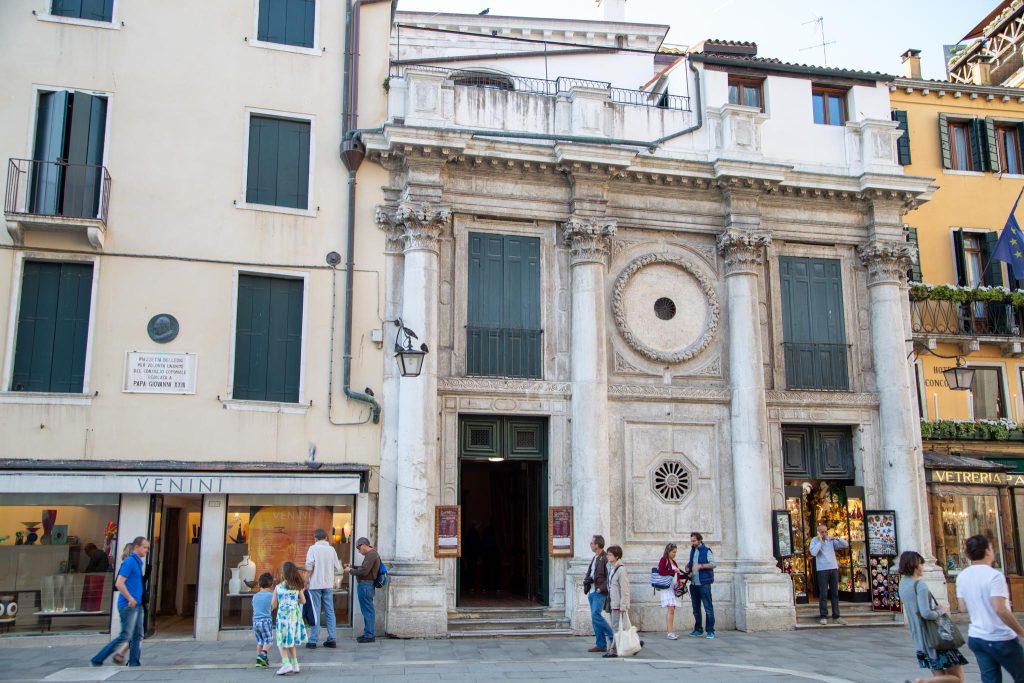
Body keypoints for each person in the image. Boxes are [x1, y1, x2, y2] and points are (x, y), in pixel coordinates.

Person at [957, 534, 1024, 682]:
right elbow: (1000, 610)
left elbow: (962, 607)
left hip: (977, 637)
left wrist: (986, 603)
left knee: (990, 680)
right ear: (988, 551)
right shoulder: (995, 576)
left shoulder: (962, 576)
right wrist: (1021, 631)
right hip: (999, 637)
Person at [898, 551, 968, 683]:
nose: (923, 567)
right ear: (915, 565)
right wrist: (940, 611)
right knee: (958, 678)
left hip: (920, 638)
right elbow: (926, 613)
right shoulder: (920, 585)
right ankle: (922, 682)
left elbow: (915, 609)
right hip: (936, 636)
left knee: (940, 677)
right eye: (921, 564)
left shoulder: (902, 584)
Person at [90, 536, 149, 668]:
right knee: (125, 636)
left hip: (136, 605)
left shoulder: (137, 562)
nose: (147, 550)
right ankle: (98, 659)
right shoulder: (129, 562)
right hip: (129, 605)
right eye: (145, 547)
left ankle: (134, 662)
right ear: (136, 547)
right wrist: (130, 598)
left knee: (137, 635)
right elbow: (119, 583)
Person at [304, 529, 342, 649]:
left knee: (315, 611)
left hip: (315, 584)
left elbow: (309, 566)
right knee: (330, 611)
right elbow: (338, 568)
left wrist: (305, 581)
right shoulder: (331, 549)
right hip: (328, 584)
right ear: (326, 537)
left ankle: (313, 640)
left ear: (315, 538)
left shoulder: (313, 549)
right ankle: (332, 638)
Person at [603, 545, 642, 658]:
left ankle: (613, 650)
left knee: (617, 627)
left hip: (617, 603)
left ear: (617, 556)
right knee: (620, 627)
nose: (608, 556)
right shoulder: (611, 567)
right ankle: (635, 644)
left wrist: (623, 605)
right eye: (608, 554)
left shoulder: (621, 569)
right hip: (611, 601)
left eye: (610, 554)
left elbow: (625, 589)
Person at [272, 561, 308, 676]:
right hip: (294, 617)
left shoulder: (278, 588)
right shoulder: (296, 587)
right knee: (290, 640)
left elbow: (273, 605)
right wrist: (294, 601)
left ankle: (286, 664)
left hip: (283, 617)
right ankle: (295, 664)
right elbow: (303, 601)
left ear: (284, 573)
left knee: (281, 641)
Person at [809, 523, 848, 626]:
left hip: (833, 568)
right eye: (822, 532)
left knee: (835, 593)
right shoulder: (814, 540)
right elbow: (813, 553)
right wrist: (820, 541)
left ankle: (837, 616)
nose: (824, 533)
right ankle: (823, 616)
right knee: (823, 594)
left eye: (826, 531)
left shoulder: (831, 540)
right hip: (822, 569)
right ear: (818, 532)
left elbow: (845, 544)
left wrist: (837, 538)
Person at [344, 537, 381, 643]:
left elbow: (364, 571)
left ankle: (369, 635)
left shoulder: (371, 554)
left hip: (366, 585)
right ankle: (368, 633)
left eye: (359, 548)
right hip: (366, 585)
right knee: (367, 610)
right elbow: (364, 568)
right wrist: (352, 566)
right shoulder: (371, 555)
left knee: (367, 610)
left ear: (364, 545)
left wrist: (350, 570)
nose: (358, 551)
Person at [583, 534, 613, 653]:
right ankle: (600, 644)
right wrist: (586, 581)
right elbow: (591, 572)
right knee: (594, 618)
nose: (590, 545)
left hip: (599, 592)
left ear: (597, 545)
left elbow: (609, 576)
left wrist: (601, 588)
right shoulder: (595, 557)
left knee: (596, 615)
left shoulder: (605, 557)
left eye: (592, 543)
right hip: (591, 591)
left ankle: (614, 637)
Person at [685, 532, 716, 639]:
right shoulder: (692, 550)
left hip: (704, 584)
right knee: (695, 608)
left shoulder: (706, 551)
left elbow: (713, 564)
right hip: (693, 584)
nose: (692, 543)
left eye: (694, 541)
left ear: (699, 540)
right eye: (691, 541)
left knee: (708, 607)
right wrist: (688, 567)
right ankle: (698, 629)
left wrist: (700, 566)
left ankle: (710, 631)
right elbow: (691, 563)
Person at [657, 542, 684, 640]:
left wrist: (687, 575)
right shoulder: (664, 560)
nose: (674, 554)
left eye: (675, 552)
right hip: (667, 588)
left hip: (673, 588)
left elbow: (678, 574)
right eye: (673, 552)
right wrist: (674, 571)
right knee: (671, 609)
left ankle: (670, 631)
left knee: (672, 610)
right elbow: (661, 571)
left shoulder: (674, 561)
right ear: (668, 551)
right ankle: (670, 633)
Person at [252, 573, 276, 668]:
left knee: (260, 642)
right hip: (265, 621)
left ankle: (259, 661)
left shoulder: (255, 596)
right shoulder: (271, 595)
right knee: (269, 641)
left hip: (255, 621)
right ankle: (263, 654)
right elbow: (273, 606)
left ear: (259, 584)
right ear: (271, 585)